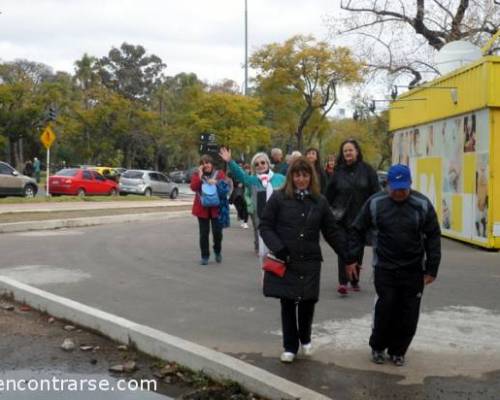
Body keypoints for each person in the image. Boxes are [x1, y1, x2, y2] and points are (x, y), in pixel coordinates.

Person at [346, 164, 441, 367]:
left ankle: (398, 350)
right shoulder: (375, 203)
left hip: (413, 269)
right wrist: (352, 258)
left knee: (409, 313)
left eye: (403, 188)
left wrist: (432, 268)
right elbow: (357, 229)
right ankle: (378, 347)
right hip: (385, 267)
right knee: (385, 308)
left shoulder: (421, 204)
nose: (399, 192)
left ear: (410, 185)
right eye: (395, 188)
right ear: (387, 185)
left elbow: (433, 235)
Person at [259, 157, 346, 363]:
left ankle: (305, 337)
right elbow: (265, 226)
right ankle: (290, 346)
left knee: (307, 302)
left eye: (305, 175)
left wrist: (348, 256)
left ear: (310, 177)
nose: (301, 179)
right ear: (291, 176)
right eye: (297, 175)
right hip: (286, 259)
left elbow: (331, 232)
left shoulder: (319, 201)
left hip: (310, 260)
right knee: (288, 303)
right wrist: (279, 248)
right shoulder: (279, 198)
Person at [325, 139, 380, 296]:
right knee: (343, 247)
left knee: (357, 249)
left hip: (361, 217)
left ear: (357, 151)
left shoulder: (367, 170)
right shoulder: (338, 172)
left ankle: (354, 280)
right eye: (345, 151)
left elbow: (375, 192)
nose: (348, 153)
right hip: (340, 217)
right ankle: (343, 282)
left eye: (350, 150)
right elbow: (328, 194)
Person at [219, 147, 285, 258]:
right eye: (256, 164)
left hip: (280, 219)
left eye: (263, 162)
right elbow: (240, 175)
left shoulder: (281, 179)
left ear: (268, 164)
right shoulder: (252, 181)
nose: (260, 165)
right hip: (262, 220)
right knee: (265, 256)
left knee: (280, 251)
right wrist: (230, 161)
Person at [190, 154, 226, 265]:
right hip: (202, 209)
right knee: (204, 234)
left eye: (208, 162)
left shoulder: (219, 174)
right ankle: (205, 256)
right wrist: (200, 176)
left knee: (217, 233)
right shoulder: (197, 174)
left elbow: (226, 188)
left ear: (212, 164)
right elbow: (193, 187)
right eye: (203, 163)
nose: (206, 165)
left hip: (216, 209)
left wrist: (217, 183)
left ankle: (217, 251)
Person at [229, 161, 249, 229]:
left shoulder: (245, 173)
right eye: (238, 165)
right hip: (236, 193)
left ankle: (245, 222)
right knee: (239, 207)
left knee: (246, 206)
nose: (240, 166)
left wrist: (243, 183)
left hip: (245, 192)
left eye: (241, 165)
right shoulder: (233, 173)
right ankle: (241, 217)